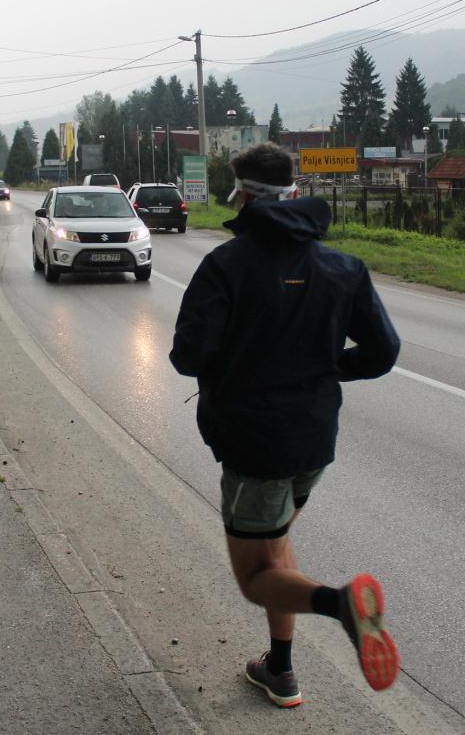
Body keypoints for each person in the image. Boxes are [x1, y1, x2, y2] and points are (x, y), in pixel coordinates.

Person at [169, 142, 402, 708]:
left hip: (254, 446)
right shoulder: (342, 266)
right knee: (276, 545)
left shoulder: (226, 264)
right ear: (294, 190)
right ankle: (280, 669)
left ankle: (341, 604)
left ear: (243, 196)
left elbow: (187, 356)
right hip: (314, 443)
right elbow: (383, 350)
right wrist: (328, 368)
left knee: (255, 576)